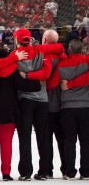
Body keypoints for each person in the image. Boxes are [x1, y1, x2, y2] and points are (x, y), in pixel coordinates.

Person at [14, 28, 65, 181]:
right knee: (43, 137)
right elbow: (46, 74)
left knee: (25, 137)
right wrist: (35, 77)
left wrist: (26, 75)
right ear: (30, 39)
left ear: (17, 40)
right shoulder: (41, 51)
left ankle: (25, 172)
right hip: (42, 99)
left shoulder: (14, 56)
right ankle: (44, 171)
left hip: (25, 100)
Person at [0, 44, 35, 181]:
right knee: (7, 143)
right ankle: (6, 173)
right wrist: (38, 83)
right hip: (9, 112)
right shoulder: (13, 71)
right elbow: (23, 86)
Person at [50, 39, 89, 179]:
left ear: (69, 51)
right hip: (86, 106)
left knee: (69, 140)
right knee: (86, 141)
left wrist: (69, 84)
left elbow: (53, 84)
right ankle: (86, 172)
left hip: (67, 107)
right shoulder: (87, 60)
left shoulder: (61, 64)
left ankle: (70, 172)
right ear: (82, 50)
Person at [43, 29, 67, 178]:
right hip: (63, 103)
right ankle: (66, 168)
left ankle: (47, 170)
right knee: (62, 139)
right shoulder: (63, 56)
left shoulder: (42, 55)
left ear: (44, 40)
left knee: (46, 139)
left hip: (45, 103)